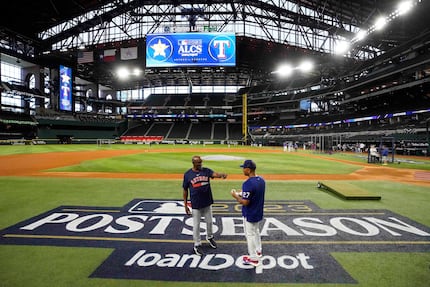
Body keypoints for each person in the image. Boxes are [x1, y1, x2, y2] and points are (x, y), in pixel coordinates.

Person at [183, 155, 227, 256]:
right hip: (196, 204)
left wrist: (221, 175)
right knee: (196, 226)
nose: (200, 164)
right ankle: (197, 244)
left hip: (207, 202)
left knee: (210, 222)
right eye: (198, 163)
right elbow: (185, 190)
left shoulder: (206, 171)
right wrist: (185, 205)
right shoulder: (188, 174)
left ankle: (210, 237)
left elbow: (214, 174)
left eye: (201, 162)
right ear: (193, 163)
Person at [231, 159, 266, 267]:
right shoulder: (261, 180)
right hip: (258, 211)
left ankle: (253, 258)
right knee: (256, 231)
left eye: (244, 168)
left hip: (250, 213)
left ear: (248, 169)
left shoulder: (247, 183)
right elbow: (253, 193)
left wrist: (235, 196)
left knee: (249, 235)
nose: (242, 170)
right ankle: (258, 251)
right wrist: (241, 193)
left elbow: (245, 202)